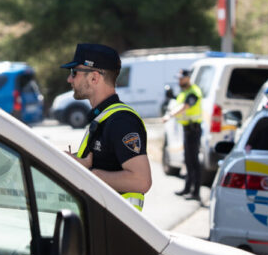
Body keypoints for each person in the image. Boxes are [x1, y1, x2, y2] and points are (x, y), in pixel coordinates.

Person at [62, 43, 151, 211]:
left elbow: (141, 181)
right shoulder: (104, 117)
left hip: (117, 228)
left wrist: (92, 175)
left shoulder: (121, 121)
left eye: (74, 73)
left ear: (94, 78)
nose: (69, 79)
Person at [162, 69, 203, 201]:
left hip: (193, 130)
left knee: (194, 161)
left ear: (188, 78)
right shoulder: (184, 93)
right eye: (178, 78)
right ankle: (187, 188)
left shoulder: (193, 92)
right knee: (188, 161)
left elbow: (184, 107)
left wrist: (169, 115)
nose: (179, 81)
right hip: (187, 130)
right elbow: (177, 102)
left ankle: (195, 192)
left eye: (181, 78)